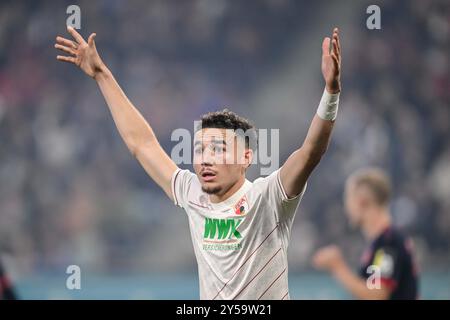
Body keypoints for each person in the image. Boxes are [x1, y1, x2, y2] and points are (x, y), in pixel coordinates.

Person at [54, 25, 342, 300]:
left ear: (246, 157)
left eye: (218, 149)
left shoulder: (267, 198)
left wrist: (330, 92)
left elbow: (310, 152)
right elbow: (142, 144)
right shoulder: (192, 194)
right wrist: (102, 74)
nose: (206, 158)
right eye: (200, 149)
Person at [313, 168, 419, 299]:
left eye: (348, 198)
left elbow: (377, 295)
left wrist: (337, 267)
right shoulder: (382, 242)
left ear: (361, 201)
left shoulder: (388, 242)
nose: (347, 207)